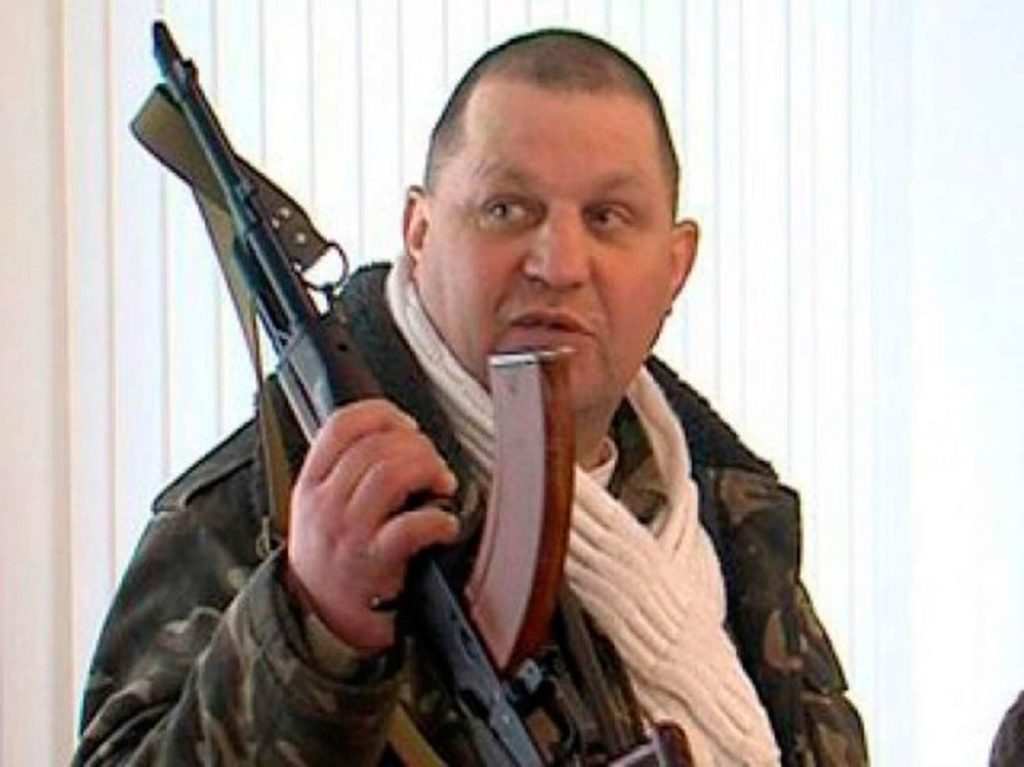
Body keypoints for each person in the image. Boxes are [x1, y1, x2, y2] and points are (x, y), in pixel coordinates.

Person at [75, 29, 868, 766]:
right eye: (505, 210)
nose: (559, 264)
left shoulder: (728, 516)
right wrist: (309, 627)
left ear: (675, 265)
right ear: (418, 233)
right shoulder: (278, 499)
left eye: (607, 217)